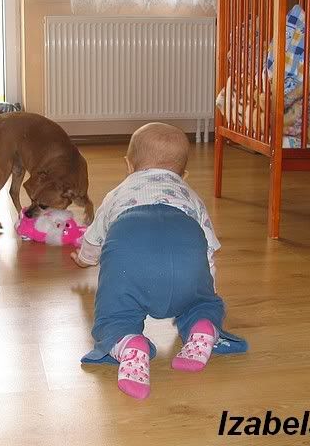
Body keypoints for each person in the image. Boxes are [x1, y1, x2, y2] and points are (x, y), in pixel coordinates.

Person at [71, 122, 225, 400]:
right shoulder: (191, 196)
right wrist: (206, 291)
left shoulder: (117, 194)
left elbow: (93, 241)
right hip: (186, 263)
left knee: (115, 314)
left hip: (131, 263)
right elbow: (208, 251)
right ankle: (202, 326)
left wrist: (83, 260)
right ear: (183, 175)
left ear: (128, 166)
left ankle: (128, 343)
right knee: (202, 303)